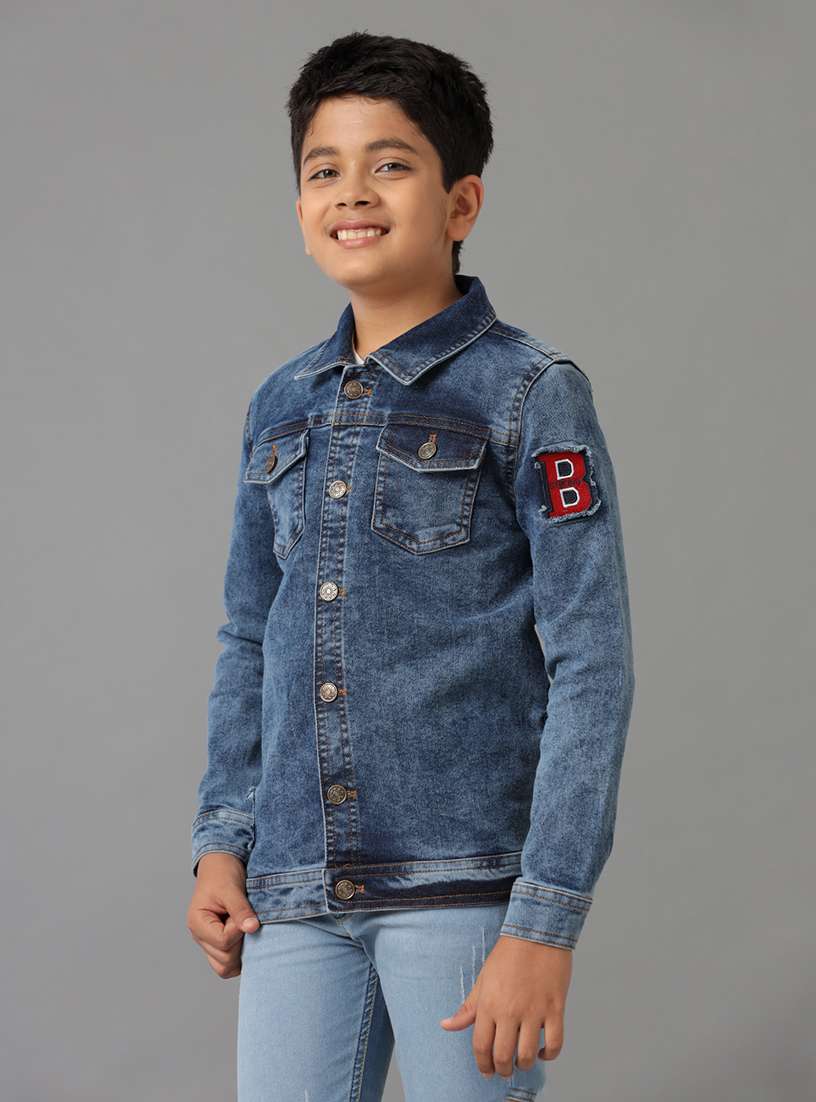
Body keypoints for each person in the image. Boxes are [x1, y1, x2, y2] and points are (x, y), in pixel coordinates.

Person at [185, 30, 635, 1102]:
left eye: (389, 163)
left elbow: (592, 663)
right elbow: (248, 637)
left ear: (461, 202)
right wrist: (221, 841)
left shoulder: (530, 393)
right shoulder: (277, 406)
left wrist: (544, 921)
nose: (353, 192)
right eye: (324, 170)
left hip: (461, 892)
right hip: (293, 889)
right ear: (300, 207)